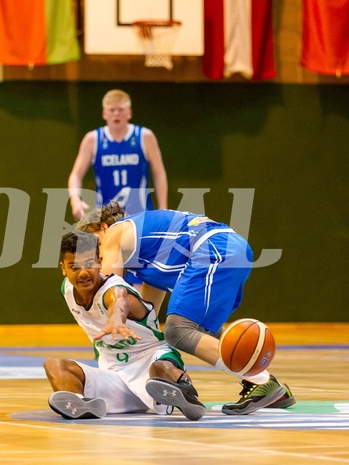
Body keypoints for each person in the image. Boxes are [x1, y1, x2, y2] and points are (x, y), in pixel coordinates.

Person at [76, 201, 296, 415]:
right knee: (197, 330)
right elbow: (148, 312)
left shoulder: (114, 233)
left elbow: (108, 287)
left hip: (213, 249)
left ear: (102, 227)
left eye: (91, 242)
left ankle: (261, 380)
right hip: (228, 247)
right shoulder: (145, 252)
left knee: (177, 331)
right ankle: (270, 385)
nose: (93, 255)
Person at [44, 230, 206, 421]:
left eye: (90, 264)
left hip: (151, 363)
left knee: (160, 368)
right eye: (75, 266)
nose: (84, 273)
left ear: (100, 261)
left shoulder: (114, 290)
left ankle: (184, 390)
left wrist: (115, 321)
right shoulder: (68, 289)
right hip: (114, 375)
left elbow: (118, 302)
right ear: (63, 268)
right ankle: (79, 403)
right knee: (54, 365)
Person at [68, 89, 168, 220]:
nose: (116, 114)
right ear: (104, 113)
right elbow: (76, 175)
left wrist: (163, 207)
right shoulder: (93, 139)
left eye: (121, 110)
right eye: (111, 110)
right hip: (106, 215)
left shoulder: (144, 136)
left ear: (129, 113)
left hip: (141, 214)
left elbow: (159, 172)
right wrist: (75, 200)